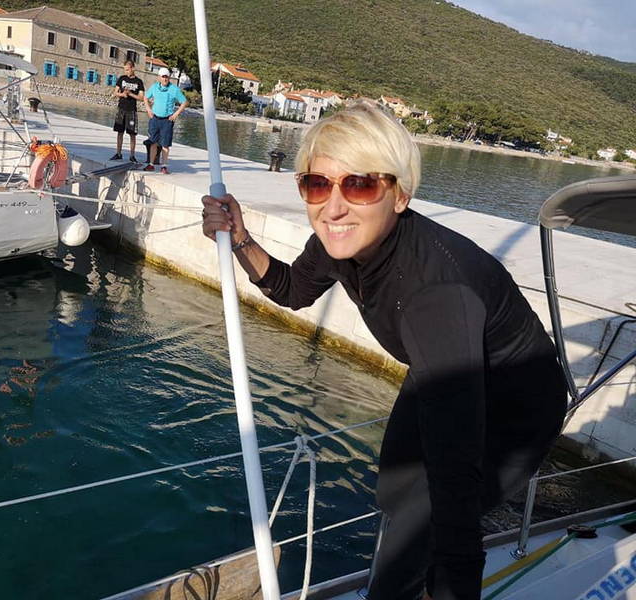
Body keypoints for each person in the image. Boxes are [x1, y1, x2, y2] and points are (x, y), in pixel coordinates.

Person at [201, 103, 567, 600]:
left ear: (400, 195)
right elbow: (292, 289)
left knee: (426, 530)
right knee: (395, 492)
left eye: (359, 185)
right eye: (317, 184)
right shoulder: (340, 243)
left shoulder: (436, 292)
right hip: (439, 370)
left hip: (514, 408)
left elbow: (456, 475)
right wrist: (240, 238)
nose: (333, 208)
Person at [143, 67, 188, 174]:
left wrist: (176, 114)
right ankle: (151, 164)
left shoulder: (174, 89)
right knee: (153, 142)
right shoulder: (154, 87)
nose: (165, 79)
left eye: (166, 77)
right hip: (155, 119)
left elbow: (184, 102)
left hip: (167, 120)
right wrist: (148, 109)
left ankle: (164, 166)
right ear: (159, 77)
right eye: (163, 77)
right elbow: (145, 97)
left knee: (165, 144)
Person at [110, 59, 144, 163]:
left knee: (132, 134)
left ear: (133, 68)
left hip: (131, 110)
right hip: (121, 109)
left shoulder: (139, 82)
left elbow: (141, 97)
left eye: (128, 70)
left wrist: (131, 94)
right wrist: (122, 94)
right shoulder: (122, 79)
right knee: (119, 132)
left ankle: (132, 155)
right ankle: (118, 153)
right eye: (125, 70)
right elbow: (115, 93)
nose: (126, 72)